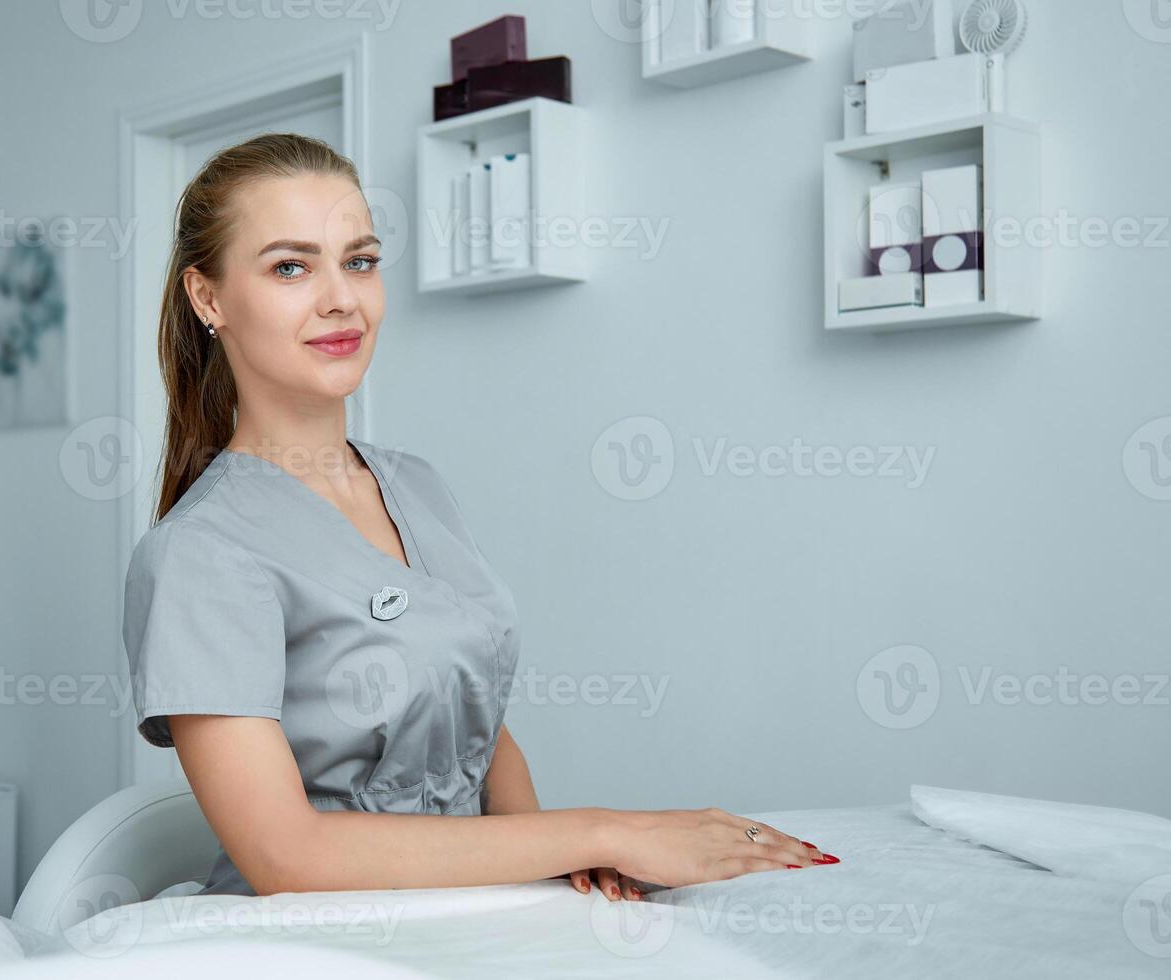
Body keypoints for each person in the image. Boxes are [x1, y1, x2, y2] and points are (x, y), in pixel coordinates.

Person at [121, 132, 835, 899]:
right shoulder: (201, 553)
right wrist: (601, 830)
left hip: (475, 910)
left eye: (359, 260)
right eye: (290, 267)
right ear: (209, 298)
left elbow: (480, 730)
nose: (341, 298)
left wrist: (548, 876)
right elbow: (286, 857)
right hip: (321, 943)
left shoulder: (415, 485)